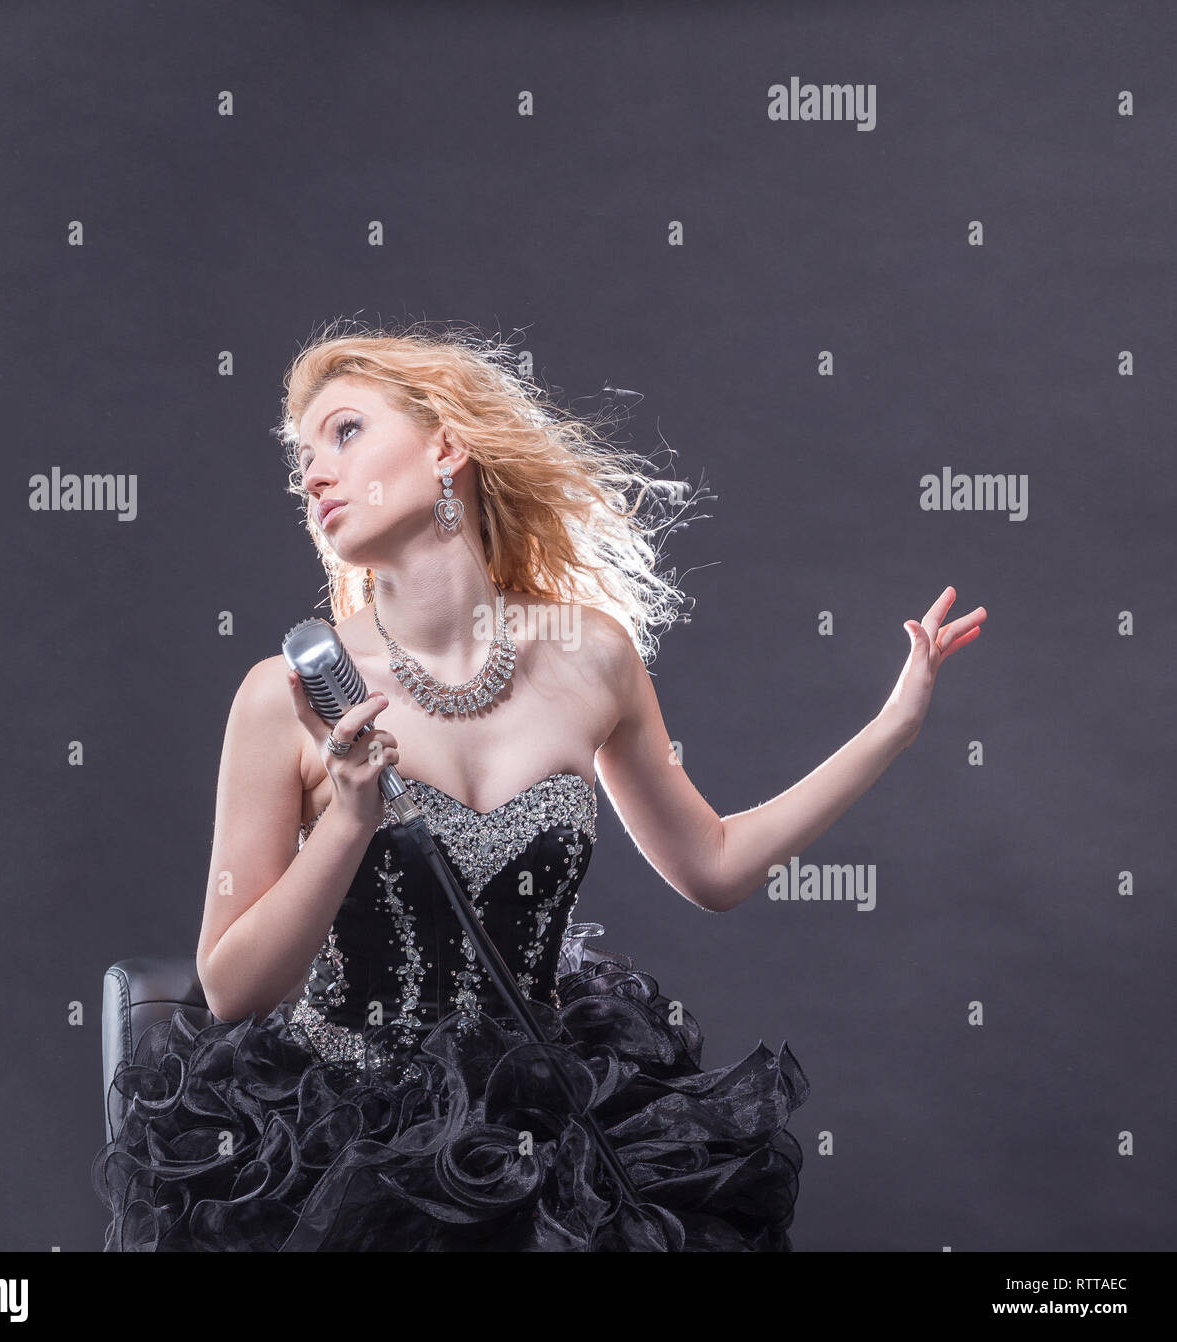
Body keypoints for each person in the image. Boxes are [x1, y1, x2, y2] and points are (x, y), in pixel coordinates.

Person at [91, 320, 985, 1251]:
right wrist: (350, 819)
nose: (312, 473)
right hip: (338, 1140)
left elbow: (714, 866)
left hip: (545, 1122)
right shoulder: (282, 698)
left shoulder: (591, 657)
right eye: (301, 456)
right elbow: (229, 989)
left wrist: (892, 729)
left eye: (345, 432)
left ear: (446, 446)